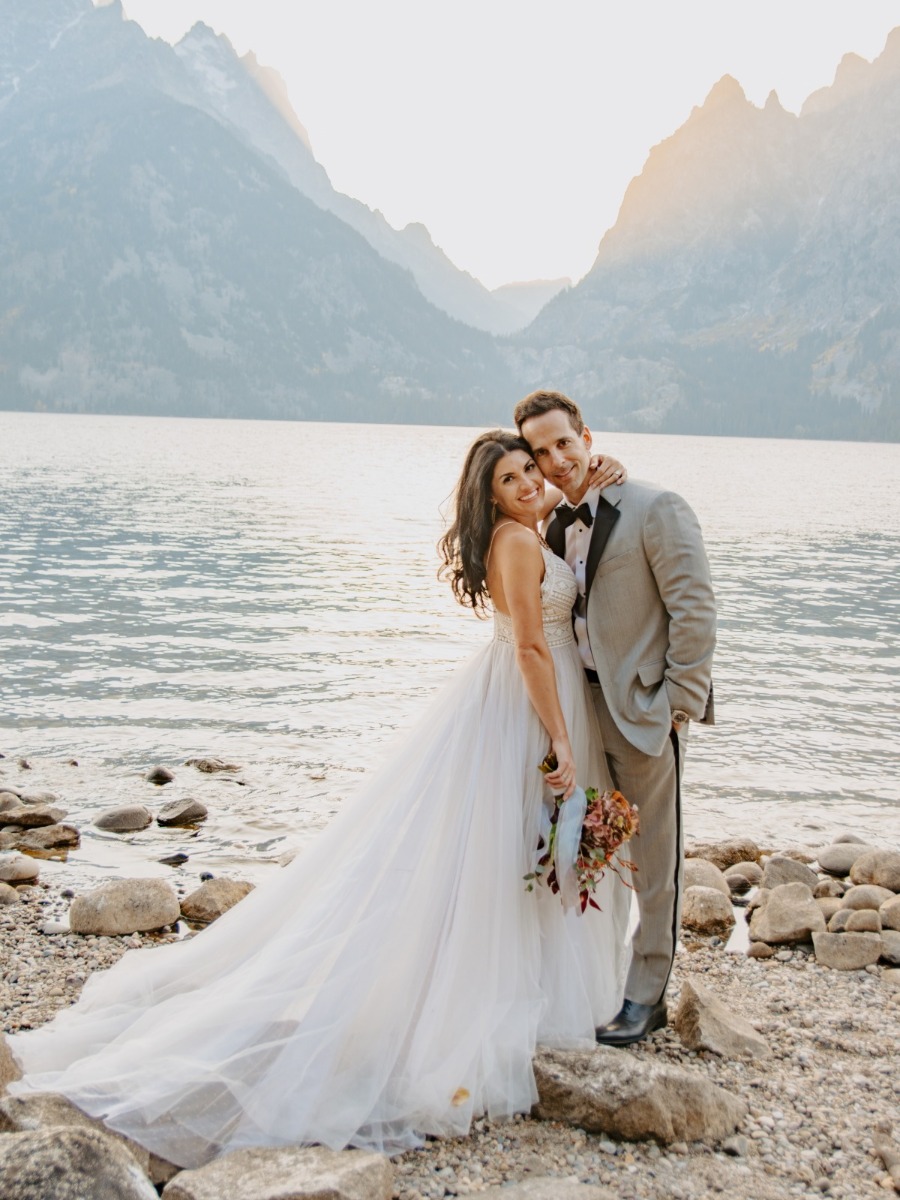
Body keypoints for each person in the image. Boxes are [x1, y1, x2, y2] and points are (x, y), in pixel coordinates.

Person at [8, 430, 631, 1167]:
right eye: (510, 477)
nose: (529, 481)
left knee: (514, 848)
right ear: (488, 495)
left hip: (517, 695)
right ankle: (505, 1008)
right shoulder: (520, 544)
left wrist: (596, 474)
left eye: (531, 468)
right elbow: (530, 646)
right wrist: (558, 737)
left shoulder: (525, 527)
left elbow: (563, 501)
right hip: (531, 701)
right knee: (518, 845)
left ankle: (517, 990)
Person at [515, 390, 716, 1047]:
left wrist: (678, 704)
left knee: (656, 859)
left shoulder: (654, 508)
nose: (554, 459)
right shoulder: (549, 520)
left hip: (642, 709)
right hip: (579, 706)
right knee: (594, 848)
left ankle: (645, 997)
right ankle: (593, 978)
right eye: (541, 451)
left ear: (587, 437)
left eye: (563, 443)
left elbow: (695, 611)